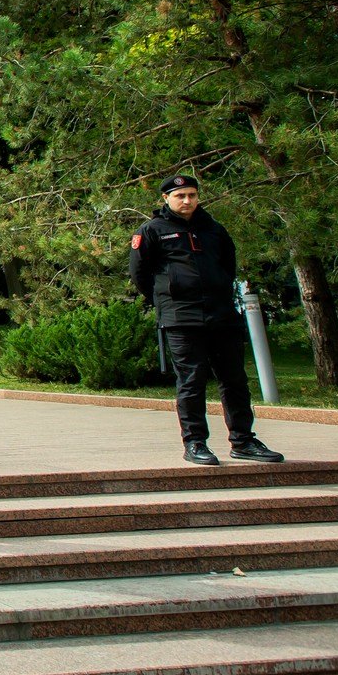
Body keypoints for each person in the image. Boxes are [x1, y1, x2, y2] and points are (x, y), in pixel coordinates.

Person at [129, 173, 284, 467]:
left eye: (192, 195)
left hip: (221, 315)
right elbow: (140, 275)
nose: (187, 200)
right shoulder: (151, 231)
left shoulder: (214, 230)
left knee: (235, 380)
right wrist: (169, 299)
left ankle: (243, 441)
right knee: (191, 382)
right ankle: (195, 443)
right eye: (180, 196)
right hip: (181, 318)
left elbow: (228, 266)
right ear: (166, 199)